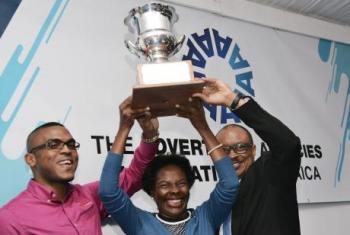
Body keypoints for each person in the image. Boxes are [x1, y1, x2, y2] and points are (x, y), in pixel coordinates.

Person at [0, 97, 159, 235]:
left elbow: (134, 176)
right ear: (31, 159)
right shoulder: (10, 218)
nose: (67, 150)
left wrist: (150, 135)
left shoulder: (89, 195)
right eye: (53, 144)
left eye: (71, 144)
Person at [99, 97, 239, 234]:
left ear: (189, 186)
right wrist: (124, 127)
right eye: (164, 185)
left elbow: (230, 184)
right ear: (152, 191)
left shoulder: (206, 217)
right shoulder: (139, 223)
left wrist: (202, 127)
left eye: (181, 183)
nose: (175, 190)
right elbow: (108, 192)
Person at [193, 78, 302, 235]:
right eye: (224, 150)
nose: (232, 156)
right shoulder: (220, 197)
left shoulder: (270, 175)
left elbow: (288, 145)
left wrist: (232, 100)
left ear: (253, 150)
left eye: (240, 147)